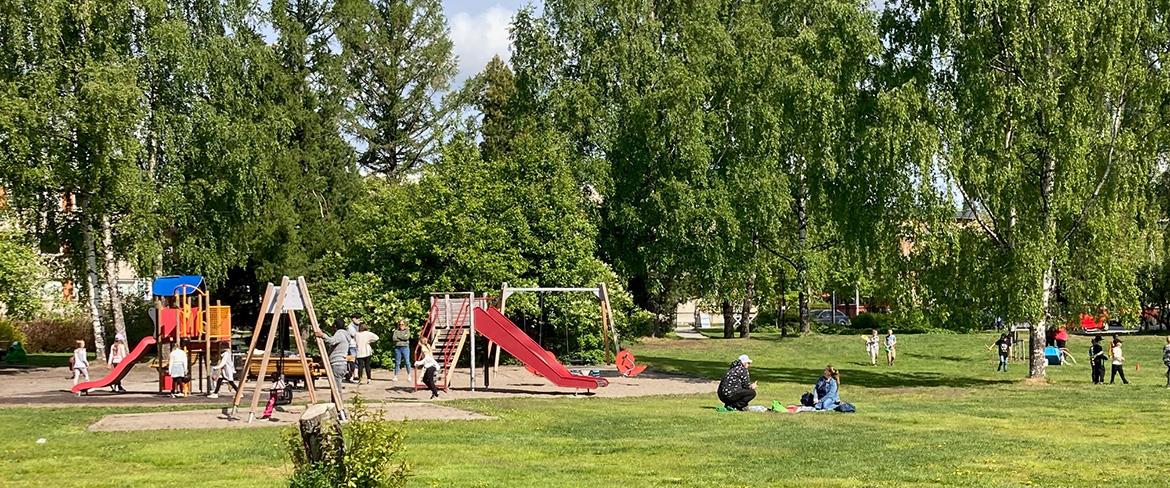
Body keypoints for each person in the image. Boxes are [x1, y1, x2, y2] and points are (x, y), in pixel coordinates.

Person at [314, 319, 350, 392]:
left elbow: (332, 341)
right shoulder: (344, 335)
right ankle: (336, 402)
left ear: (335, 326)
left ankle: (338, 402)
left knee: (336, 388)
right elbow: (332, 348)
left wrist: (322, 335)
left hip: (337, 364)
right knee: (335, 387)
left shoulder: (340, 333)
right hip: (341, 364)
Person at [345, 314, 361, 382]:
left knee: (357, 361)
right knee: (351, 361)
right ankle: (351, 376)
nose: (359, 320)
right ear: (353, 319)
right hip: (352, 345)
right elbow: (355, 335)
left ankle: (355, 375)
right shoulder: (350, 327)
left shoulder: (358, 326)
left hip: (357, 345)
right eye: (358, 319)